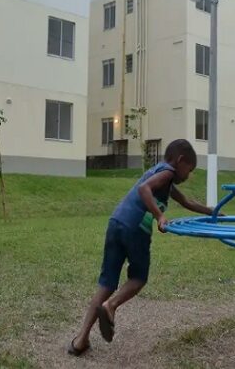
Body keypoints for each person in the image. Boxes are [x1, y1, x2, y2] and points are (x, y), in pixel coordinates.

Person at [68, 139, 215, 356]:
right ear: (180, 160)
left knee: (106, 283)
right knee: (138, 278)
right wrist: (159, 215)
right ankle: (111, 306)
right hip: (135, 228)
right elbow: (144, 189)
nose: (189, 175)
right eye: (190, 169)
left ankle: (80, 340)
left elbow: (187, 202)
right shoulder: (167, 173)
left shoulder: (161, 176)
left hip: (116, 223)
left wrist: (212, 212)